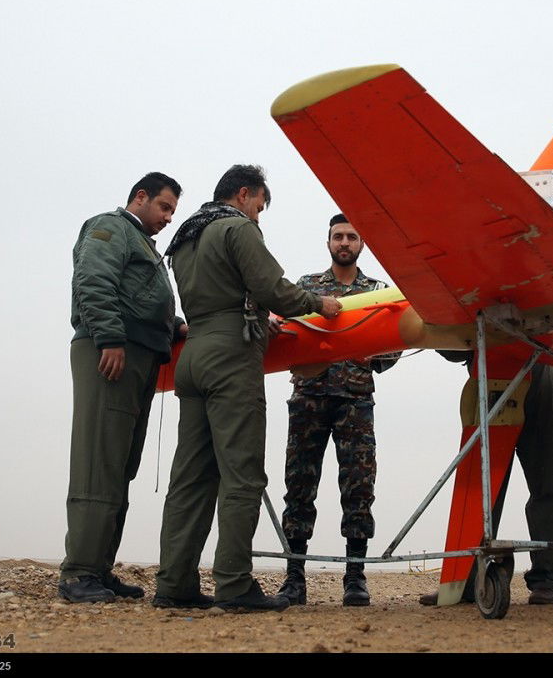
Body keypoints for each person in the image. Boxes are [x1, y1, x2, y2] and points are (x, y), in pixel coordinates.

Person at [153, 165, 343, 612]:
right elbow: (274, 289)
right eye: (259, 206)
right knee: (243, 475)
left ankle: (174, 584)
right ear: (243, 194)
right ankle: (235, 585)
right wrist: (322, 304)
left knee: (190, 478)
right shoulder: (237, 228)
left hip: (195, 355)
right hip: (231, 362)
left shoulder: (186, 235)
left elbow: (226, 298)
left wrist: (256, 322)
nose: (259, 216)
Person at [59, 172, 186, 604]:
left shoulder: (142, 244)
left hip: (139, 355)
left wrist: (174, 326)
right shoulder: (110, 228)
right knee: (100, 460)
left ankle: (99, 569)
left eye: (173, 211)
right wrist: (110, 338)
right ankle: (78, 573)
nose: (168, 217)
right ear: (141, 197)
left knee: (120, 463)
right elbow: (93, 279)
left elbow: (141, 300)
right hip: (112, 352)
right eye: (164, 207)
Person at [276, 214, 398, 607]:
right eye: (338, 236)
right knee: (299, 486)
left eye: (351, 236)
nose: (344, 242)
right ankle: (294, 576)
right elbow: (287, 333)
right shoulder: (307, 288)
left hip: (356, 400)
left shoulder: (376, 291)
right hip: (309, 398)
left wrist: (371, 353)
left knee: (359, 487)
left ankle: (355, 577)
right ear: (328, 242)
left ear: (361, 242)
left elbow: (392, 347)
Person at [419, 354, 553, 606]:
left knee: (545, 480)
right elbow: (453, 348)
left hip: (535, 369)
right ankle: (467, 580)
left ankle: (548, 578)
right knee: (480, 486)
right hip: (488, 373)